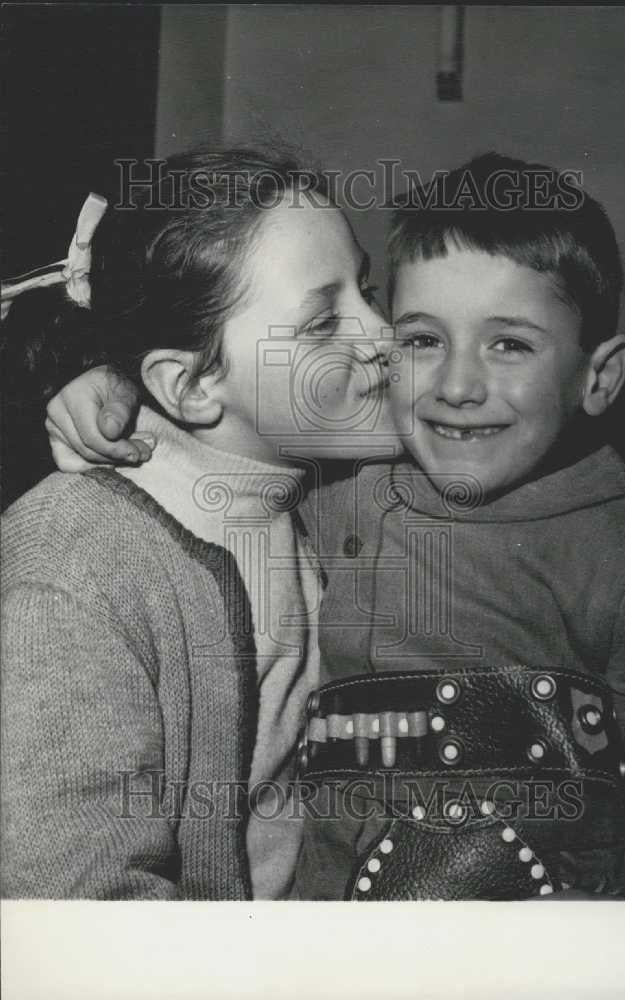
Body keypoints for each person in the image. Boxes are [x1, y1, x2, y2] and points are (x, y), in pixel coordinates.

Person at [43, 154, 625, 900]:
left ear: (597, 377)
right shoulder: (353, 482)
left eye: (509, 344)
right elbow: (234, 426)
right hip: (321, 942)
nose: (457, 386)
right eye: (420, 339)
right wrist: (109, 383)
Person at [0, 148, 400, 899]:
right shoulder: (73, 563)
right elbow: (72, 912)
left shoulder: (322, 489)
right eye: (322, 322)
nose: (382, 333)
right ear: (187, 386)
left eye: (368, 289)